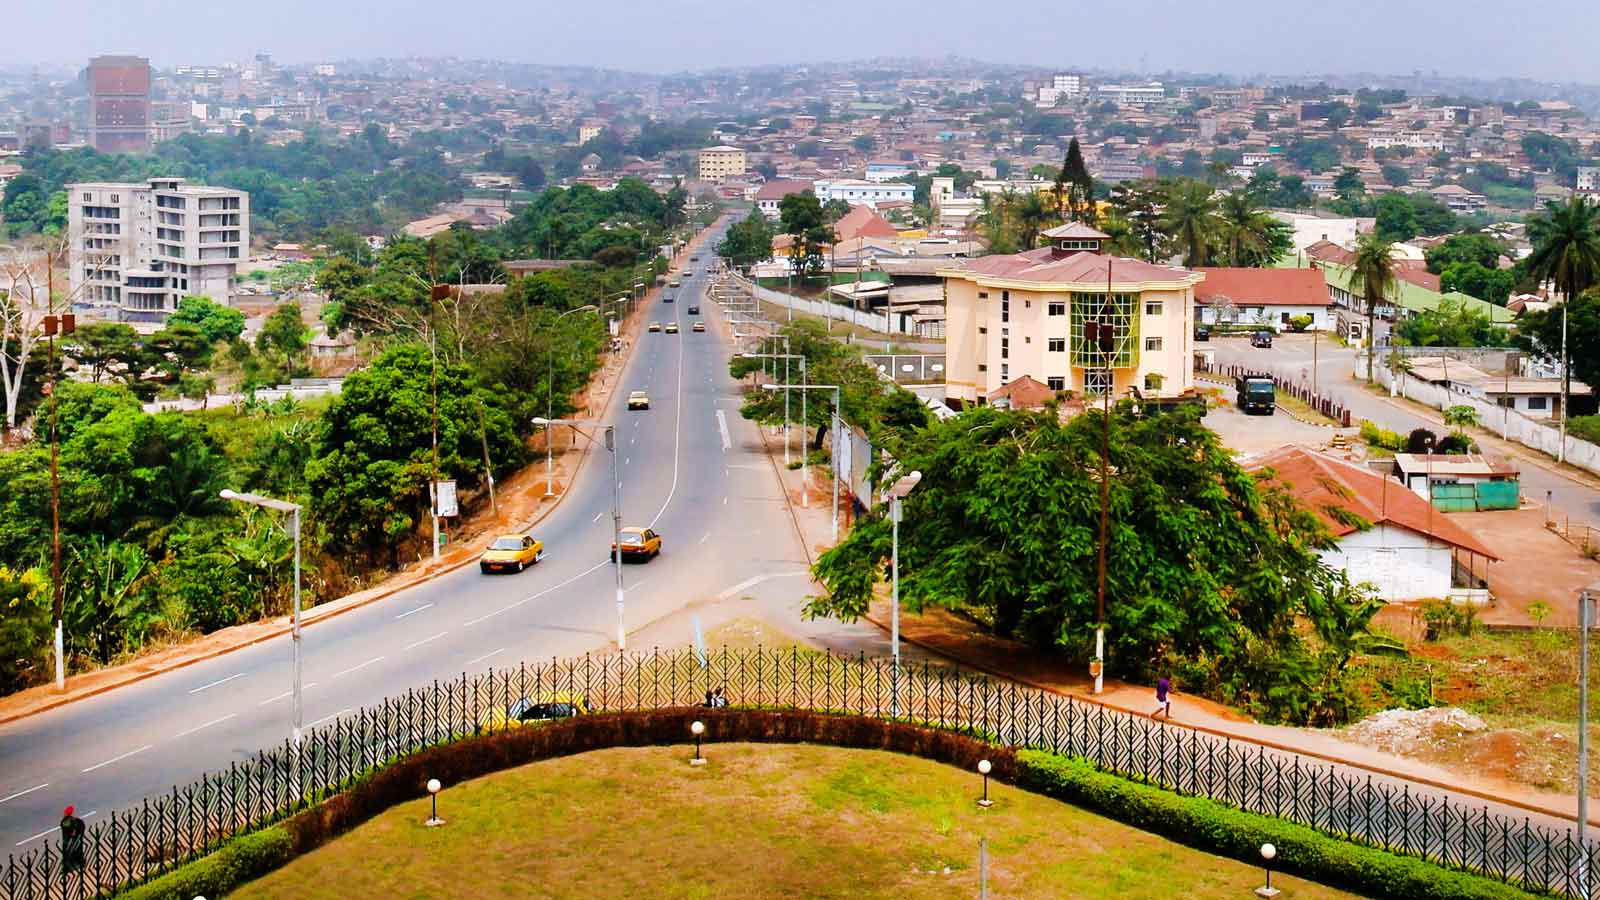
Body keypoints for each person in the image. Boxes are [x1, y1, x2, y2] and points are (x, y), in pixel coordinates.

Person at [60, 806, 85, 873]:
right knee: (74, 851)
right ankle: (77, 863)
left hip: (69, 840)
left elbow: (65, 828)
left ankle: (69, 867)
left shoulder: (67, 821)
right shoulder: (75, 820)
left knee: (69, 853)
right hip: (72, 840)